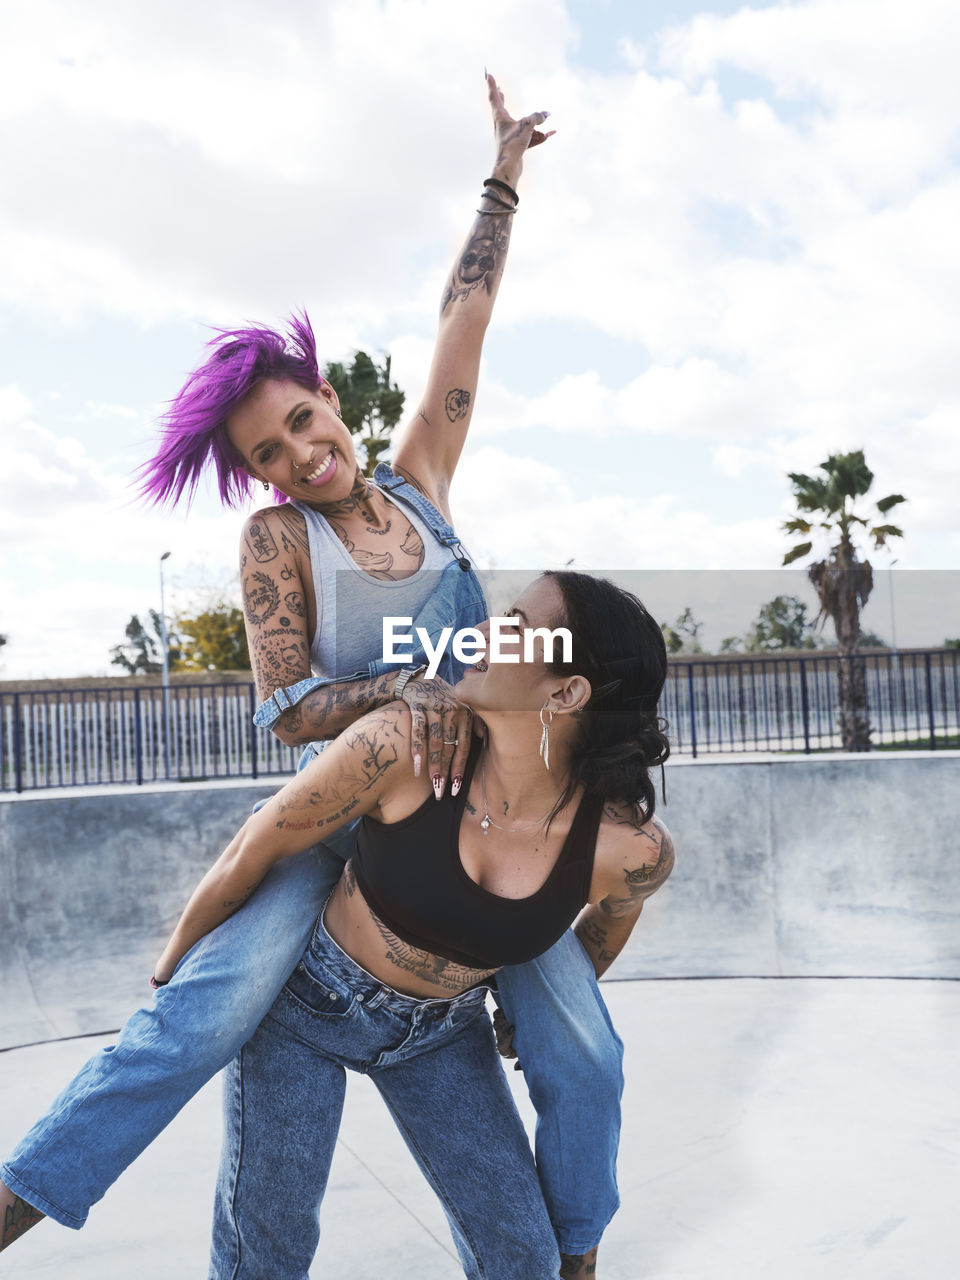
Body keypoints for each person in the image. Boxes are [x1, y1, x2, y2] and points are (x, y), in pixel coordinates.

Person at [0, 75, 620, 1277]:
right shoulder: (280, 542)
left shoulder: (423, 487)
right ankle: (22, 1194)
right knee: (205, 1012)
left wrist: (503, 171)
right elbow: (287, 710)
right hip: (345, 821)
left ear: (330, 393)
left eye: (299, 421)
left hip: (484, 823)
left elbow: (467, 319)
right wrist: (409, 696)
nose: (297, 455)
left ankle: (573, 1250)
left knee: (585, 1050)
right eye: (267, 455)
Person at [153, 570, 675, 1279]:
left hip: (440, 1035)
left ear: (565, 692)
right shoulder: (406, 745)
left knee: (521, 1256)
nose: (481, 634)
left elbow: (608, 923)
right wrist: (171, 973)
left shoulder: (629, 849)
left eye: (516, 626)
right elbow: (256, 846)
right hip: (301, 1008)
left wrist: (535, 1016)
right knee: (267, 1242)